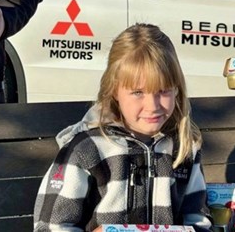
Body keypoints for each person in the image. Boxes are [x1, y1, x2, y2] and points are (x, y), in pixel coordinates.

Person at [33, 24, 211, 232]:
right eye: (137, 92)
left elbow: (198, 219)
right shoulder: (86, 148)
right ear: (114, 90)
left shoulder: (183, 148)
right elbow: (50, 226)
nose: (153, 107)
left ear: (177, 89)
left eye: (163, 91)